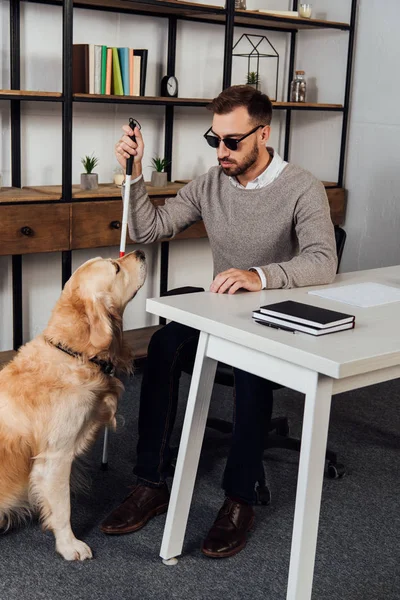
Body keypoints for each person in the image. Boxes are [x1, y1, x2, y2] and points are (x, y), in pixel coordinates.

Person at [100, 85, 337, 558]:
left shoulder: (302, 187)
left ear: (264, 133)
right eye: (215, 139)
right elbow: (150, 229)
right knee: (164, 347)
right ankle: (151, 480)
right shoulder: (211, 183)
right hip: (221, 310)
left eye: (233, 141)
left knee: (250, 369)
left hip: (275, 318)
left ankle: (239, 499)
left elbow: (323, 261)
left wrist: (259, 275)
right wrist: (136, 173)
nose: (222, 151)